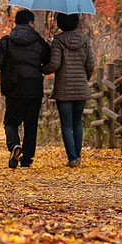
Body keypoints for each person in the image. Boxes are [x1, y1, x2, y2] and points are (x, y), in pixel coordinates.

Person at [0, 9, 51, 168]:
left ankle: (14, 145)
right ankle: (26, 160)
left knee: (11, 122)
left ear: (16, 23)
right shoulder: (39, 43)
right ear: (31, 23)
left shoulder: (6, 41)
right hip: (34, 89)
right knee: (31, 125)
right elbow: (48, 61)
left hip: (13, 88)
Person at [43, 12, 94, 167]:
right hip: (80, 88)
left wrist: (43, 69)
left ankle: (71, 158)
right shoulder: (84, 41)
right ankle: (77, 157)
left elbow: (54, 65)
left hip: (64, 89)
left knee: (67, 124)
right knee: (77, 122)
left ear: (60, 23)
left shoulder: (58, 41)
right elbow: (90, 65)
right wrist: (84, 79)